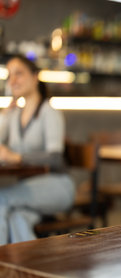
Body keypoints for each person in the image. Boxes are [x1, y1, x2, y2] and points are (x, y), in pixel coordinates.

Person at [0, 54, 75, 244]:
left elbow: (55, 158)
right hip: (28, 190)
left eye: (19, 74)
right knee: (17, 217)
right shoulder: (14, 115)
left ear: (35, 77)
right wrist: (5, 114)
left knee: (2, 199)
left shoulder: (49, 112)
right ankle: (28, 269)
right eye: (9, 76)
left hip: (57, 186)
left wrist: (17, 157)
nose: (13, 80)